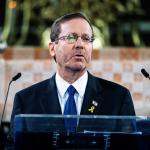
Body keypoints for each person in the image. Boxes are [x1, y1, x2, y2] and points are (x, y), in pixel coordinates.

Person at [8, 12, 135, 148]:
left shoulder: (118, 97)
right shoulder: (26, 100)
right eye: (71, 37)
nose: (80, 44)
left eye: (86, 38)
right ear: (52, 48)